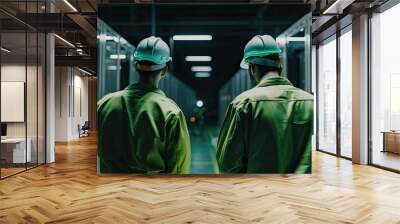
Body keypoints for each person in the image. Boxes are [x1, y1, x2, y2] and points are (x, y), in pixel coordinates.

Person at [216, 35, 313, 173]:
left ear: (252, 68)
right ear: (279, 63)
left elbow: (228, 163)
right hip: (304, 192)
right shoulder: (310, 102)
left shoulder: (243, 104)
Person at [98, 36, 191, 174]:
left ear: (135, 66)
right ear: (164, 70)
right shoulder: (170, 112)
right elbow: (178, 168)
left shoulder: (104, 104)